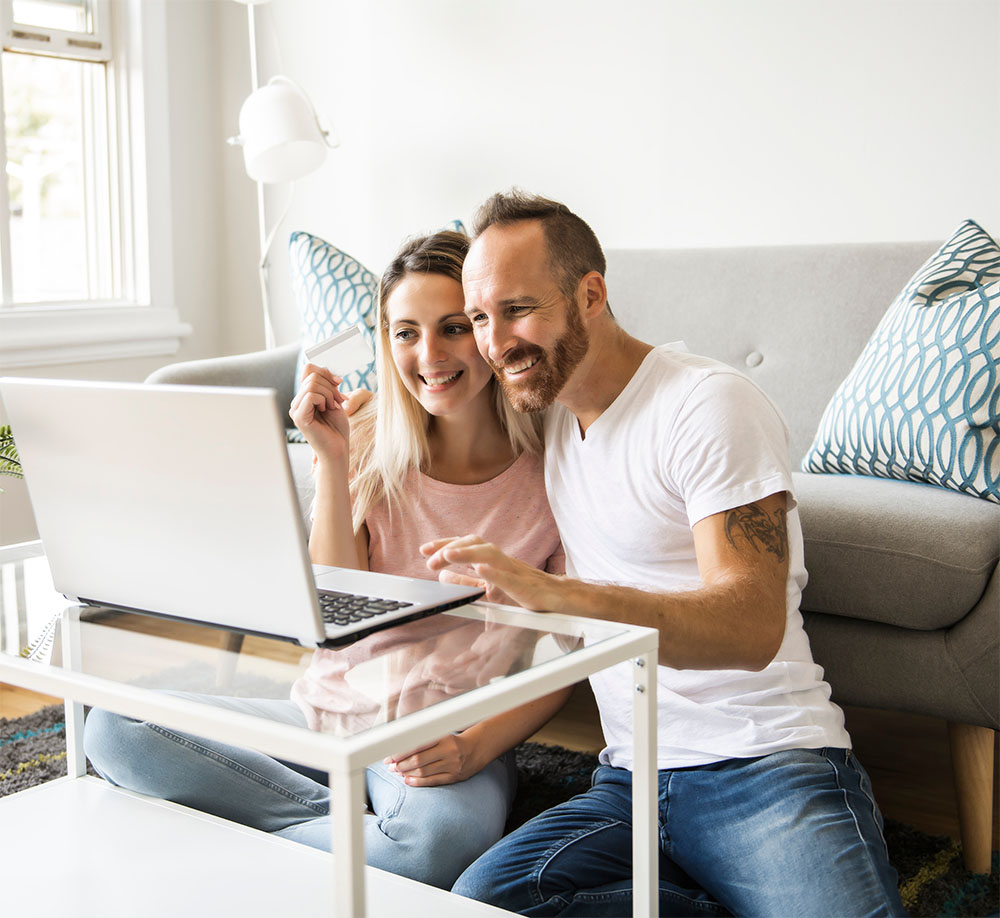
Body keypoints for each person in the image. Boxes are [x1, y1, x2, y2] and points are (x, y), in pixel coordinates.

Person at [422, 192, 906, 916]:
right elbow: (431, 396)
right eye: (483, 318)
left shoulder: (707, 405)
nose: (497, 342)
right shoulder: (543, 411)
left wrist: (565, 596)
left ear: (591, 294)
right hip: (630, 777)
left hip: (763, 763)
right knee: (479, 905)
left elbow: (750, 626)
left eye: (518, 309)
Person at [84, 229, 568, 890]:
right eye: (405, 333)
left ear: (486, 328)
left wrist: (476, 747)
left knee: (435, 849)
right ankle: (344, 838)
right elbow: (333, 601)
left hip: (440, 739)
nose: (428, 355)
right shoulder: (366, 436)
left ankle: (242, 837)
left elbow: (572, 654)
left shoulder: (556, 473)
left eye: (453, 327)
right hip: (325, 712)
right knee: (114, 731)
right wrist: (332, 464)